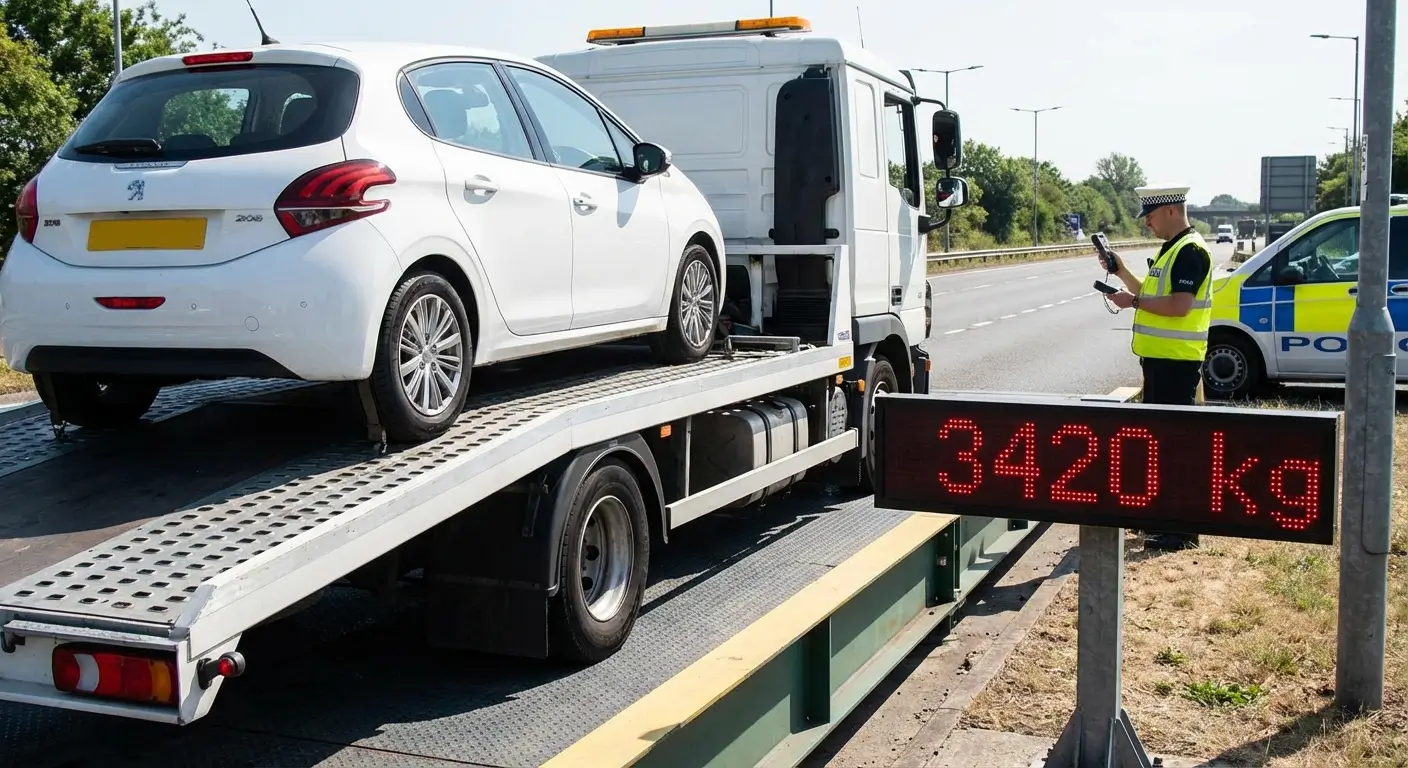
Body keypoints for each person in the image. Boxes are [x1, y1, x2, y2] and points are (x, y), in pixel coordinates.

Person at [1099, 184, 1213, 552]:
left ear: (1170, 211)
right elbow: (1149, 295)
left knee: (1174, 445)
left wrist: (1133, 302)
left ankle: (1181, 530)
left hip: (1177, 363)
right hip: (1161, 362)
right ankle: (1159, 517)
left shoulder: (1191, 252)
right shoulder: (1171, 250)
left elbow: (1179, 306)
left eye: (1149, 215)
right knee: (1160, 444)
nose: (1146, 222)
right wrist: (1120, 273)